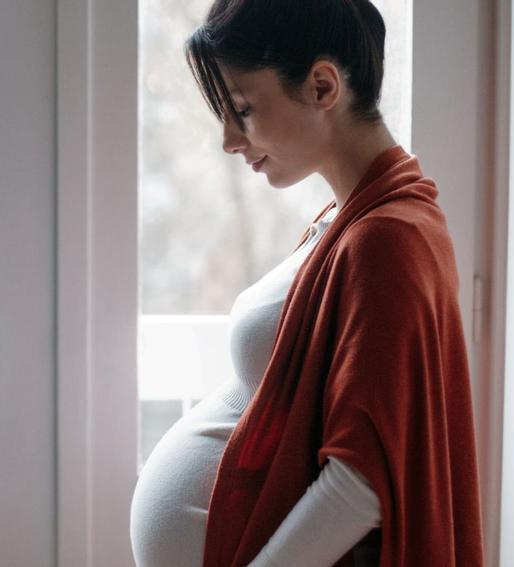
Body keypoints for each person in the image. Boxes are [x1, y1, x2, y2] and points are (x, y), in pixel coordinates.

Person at [129, 0, 484, 565]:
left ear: (322, 87)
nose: (229, 139)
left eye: (243, 109)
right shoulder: (352, 218)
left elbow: (362, 481)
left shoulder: (388, 238)